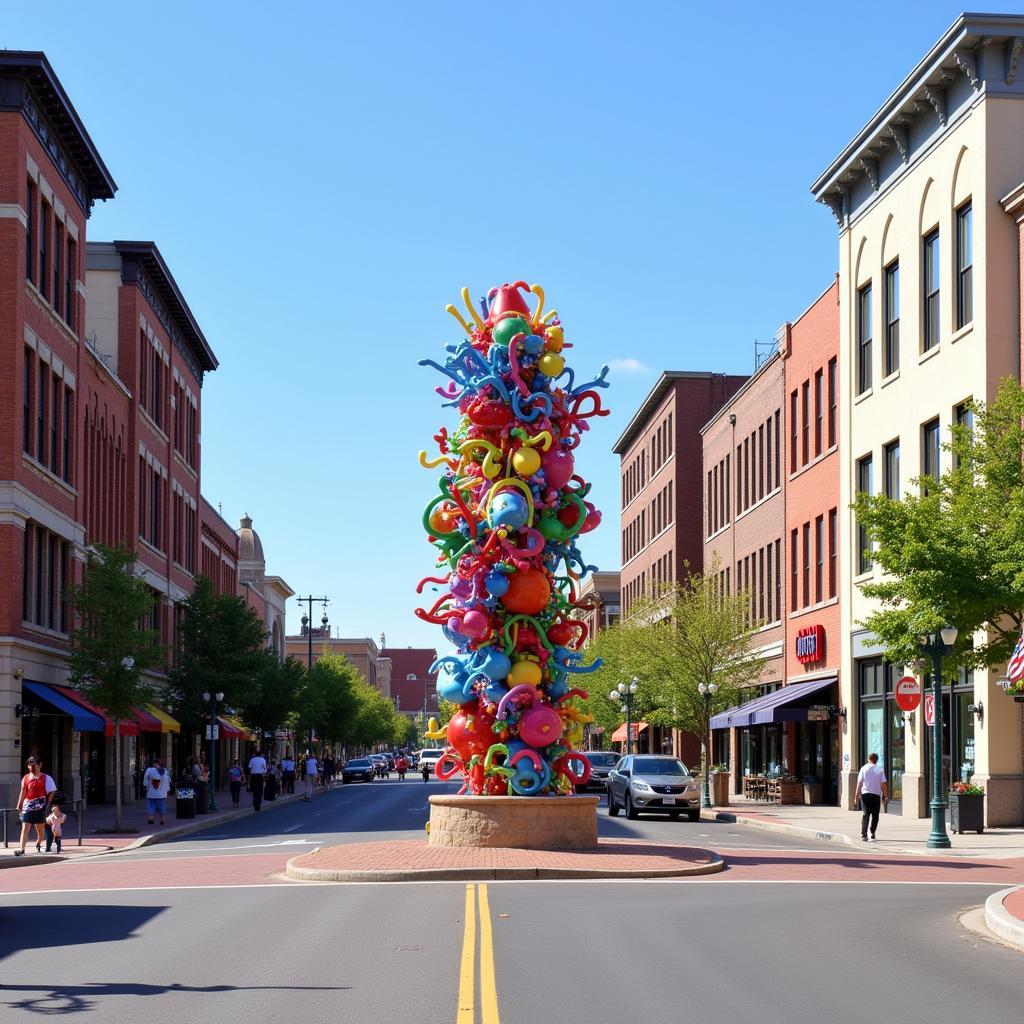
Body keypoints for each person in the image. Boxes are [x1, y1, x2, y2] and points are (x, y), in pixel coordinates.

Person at [14, 757, 56, 856]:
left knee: (40, 829)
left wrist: (48, 803)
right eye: (29, 764)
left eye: (33, 763)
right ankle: (21, 849)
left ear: (39, 765)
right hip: (27, 805)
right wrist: (19, 804)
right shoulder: (25, 778)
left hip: (40, 806)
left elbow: (52, 791)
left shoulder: (46, 778)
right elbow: (23, 791)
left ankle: (39, 841)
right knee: (25, 827)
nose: (31, 766)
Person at [854, 752, 889, 842]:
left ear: (868, 759)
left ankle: (864, 834)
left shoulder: (863, 769)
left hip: (865, 795)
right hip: (876, 795)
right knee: (875, 815)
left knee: (866, 814)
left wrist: (856, 796)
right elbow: (883, 784)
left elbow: (860, 783)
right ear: (876, 760)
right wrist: (885, 795)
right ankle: (872, 832)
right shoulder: (879, 770)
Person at [142, 758, 172, 826]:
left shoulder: (150, 770)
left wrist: (145, 786)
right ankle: (162, 820)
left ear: (155, 764)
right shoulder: (165, 771)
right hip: (162, 793)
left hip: (152, 793)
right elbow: (169, 781)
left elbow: (145, 780)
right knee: (162, 806)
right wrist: (167, 790)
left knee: (151, 805)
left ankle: (151, 819)